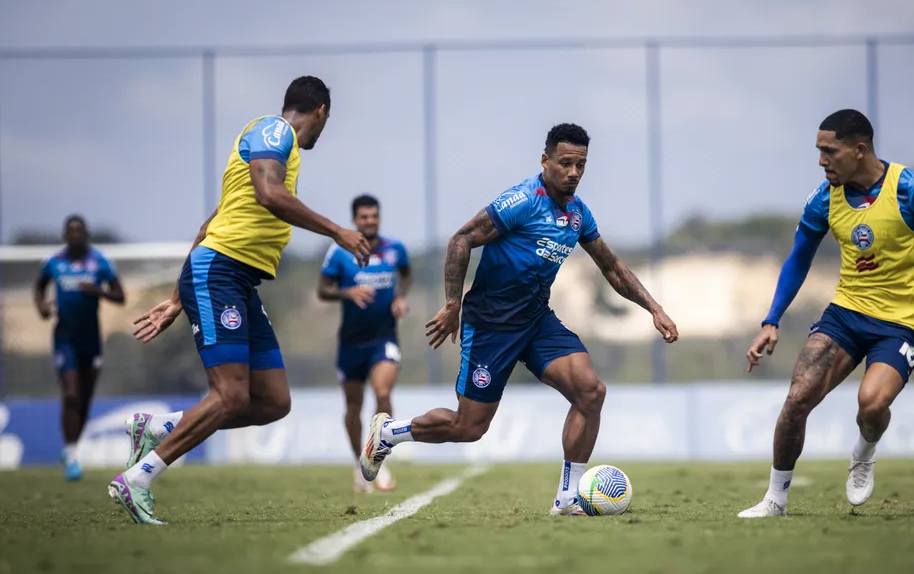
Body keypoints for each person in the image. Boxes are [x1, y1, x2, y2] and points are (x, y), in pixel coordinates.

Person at [356, 123, 679, 515]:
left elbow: (612, 267)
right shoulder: (523, 201)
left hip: (536, 321)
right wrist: (453, 304)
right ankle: (388, 433)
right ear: (545, 161)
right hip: (491, 324)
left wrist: (654, 308)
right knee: (469, 428)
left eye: (581, 164)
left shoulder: (578, 215)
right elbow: (461, 239)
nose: (574, 172)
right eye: (565, 163)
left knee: (591, 392)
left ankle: (567, 496)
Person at [109, 75, 370, 525]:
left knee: (272, 401)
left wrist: (175, 299)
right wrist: (336, 231)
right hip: (220, 273)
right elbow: (270, 196)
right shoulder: (275, 132)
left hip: (235, 280)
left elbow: (213, 221)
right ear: (321, 112)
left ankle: (154, 427)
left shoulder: (275, 149)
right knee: (229, 395)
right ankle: (137, 479)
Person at [739, 109, 914, 518]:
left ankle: (864, 451)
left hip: (898, 325)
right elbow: (798, 259)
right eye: (818, 151)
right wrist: (771, 320)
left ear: (859, 150)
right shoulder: (824, 198)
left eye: (828, 151)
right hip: (845, 316)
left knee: (871, 406)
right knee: (797, 398)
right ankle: (775, 501)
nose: (821, 160)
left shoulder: (911, 190)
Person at [318, 193, 410, 493]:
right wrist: (348, 293)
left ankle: (377, 460)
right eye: (364, 217)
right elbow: (323, 290)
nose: (369, 221)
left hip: (384, 337)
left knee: (383, 393)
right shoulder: (339, 252)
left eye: (374, 216)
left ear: (379, 218)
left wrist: (400, 297)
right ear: (355, 220)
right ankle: (359, 464)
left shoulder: (395, 249)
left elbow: (405, 275)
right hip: (350, 343)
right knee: (353, 406)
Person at [33, 214, 126, 481]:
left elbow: (120, 296)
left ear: (86, 234)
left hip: (91, 339)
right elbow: (39, 288)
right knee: (71, 394)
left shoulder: (100, 262)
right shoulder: (54, 262)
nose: (75, 235)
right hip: (65, 338)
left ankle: (71, 448)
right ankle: (72, 455)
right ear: (65, 235)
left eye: (80, 230)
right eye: (71, 231)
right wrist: (41, 306)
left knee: (84, 398)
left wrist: (99, 292)